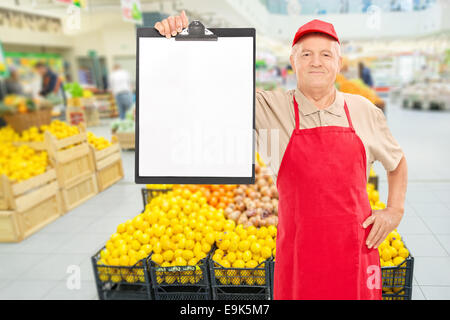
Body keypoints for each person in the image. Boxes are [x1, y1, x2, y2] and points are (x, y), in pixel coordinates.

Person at [155, 14, 408, 300]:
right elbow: (214, 87)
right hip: (300, 254)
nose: (316, 61)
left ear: (339, 63)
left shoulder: (364, 110)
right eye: (306, 54)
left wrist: (394, 210)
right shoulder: (269, 108)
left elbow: (397, 163)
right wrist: (182, 40)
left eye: (326, 54)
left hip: (355, 252)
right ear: (293, 61)